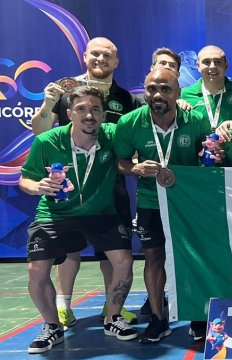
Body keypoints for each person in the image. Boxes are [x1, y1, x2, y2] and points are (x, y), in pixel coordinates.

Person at [31, 37, 140, 327]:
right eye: (96, 54)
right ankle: (63, 306)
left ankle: (111, 307)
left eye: (108, 55)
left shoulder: (125, 97)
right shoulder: (67, 91)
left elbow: (129, 140)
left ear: (116, 61)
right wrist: (48, 101)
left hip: (108, 181)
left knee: (113, 250)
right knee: (70, 249)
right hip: (71, 183)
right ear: (85, 56)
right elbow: (39, 129)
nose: (101, 59)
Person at [20, 86, 137, 353]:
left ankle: (113, 318)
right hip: (55, 214)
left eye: (95, 109)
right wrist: (37, 186)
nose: (89, 115)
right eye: (82, 109)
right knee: (36, 271)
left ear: (104, 114)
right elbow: (25, 179)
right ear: (70, 113)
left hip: (100, 213)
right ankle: (52, 326)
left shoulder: (112, 136)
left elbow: (139, 130)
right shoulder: (47, 141)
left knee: (123, 261)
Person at [115, 69, 213, 344]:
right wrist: (135, 167)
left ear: (178, 92)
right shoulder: (129, 123)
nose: (157, 95)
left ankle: (198, 316)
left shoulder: (196, 120)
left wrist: (211, 156)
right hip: (150, 202)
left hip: (188, 203)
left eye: (165, 89)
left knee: (193, 256)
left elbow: (210, 155)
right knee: (154, 257)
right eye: (151, 89)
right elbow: (119, 162)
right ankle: (159, 319)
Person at [181, 45, 232, 130]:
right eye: (206, 62)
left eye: (218, 61)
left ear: (226, 65)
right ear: (198, 66)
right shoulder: (185, 95)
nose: (212, 66)